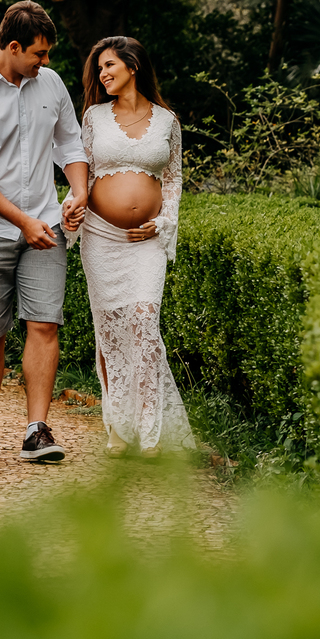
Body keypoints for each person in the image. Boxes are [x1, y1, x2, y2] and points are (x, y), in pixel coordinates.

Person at [0, 0, 89, 464]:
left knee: (45, 323)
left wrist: (78, 190)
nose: (46, 63)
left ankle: (37, 431)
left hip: (45, 222)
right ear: (12, 46)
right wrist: (21, 222)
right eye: (39, 54)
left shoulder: (50, 85)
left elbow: (70, 142)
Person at [62, 36, 195, 456]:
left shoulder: (167, 121)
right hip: (102, 238)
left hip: (147, 243)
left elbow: (172, 181)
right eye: (99, 68)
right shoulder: (94, 118)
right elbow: (80, 176)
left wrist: (163, 221)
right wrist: (70, 204)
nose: (102, 74)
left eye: (108, 65)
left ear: (133, 65)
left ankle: (149, 432)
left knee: (144, 322)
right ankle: (118, 429)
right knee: (110, 332)